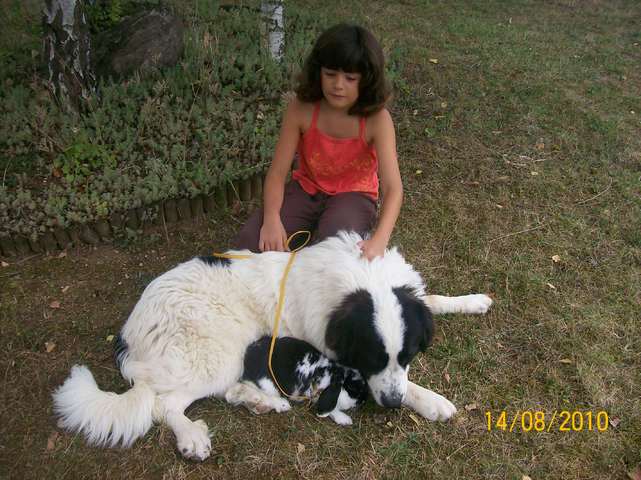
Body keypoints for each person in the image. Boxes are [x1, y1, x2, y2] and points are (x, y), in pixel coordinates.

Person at [234, 23, 402, 260]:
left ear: (367, 79)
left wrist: (380, 240)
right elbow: (277, 173)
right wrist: (271, 218)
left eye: (350, 78)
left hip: (354, 195)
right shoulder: (301, 109)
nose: (338, 85)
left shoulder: (378, 120)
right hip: (306, 188)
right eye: (330, 74)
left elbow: (393, 188)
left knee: (335, 253)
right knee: (249, 243)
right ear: (318, 71)